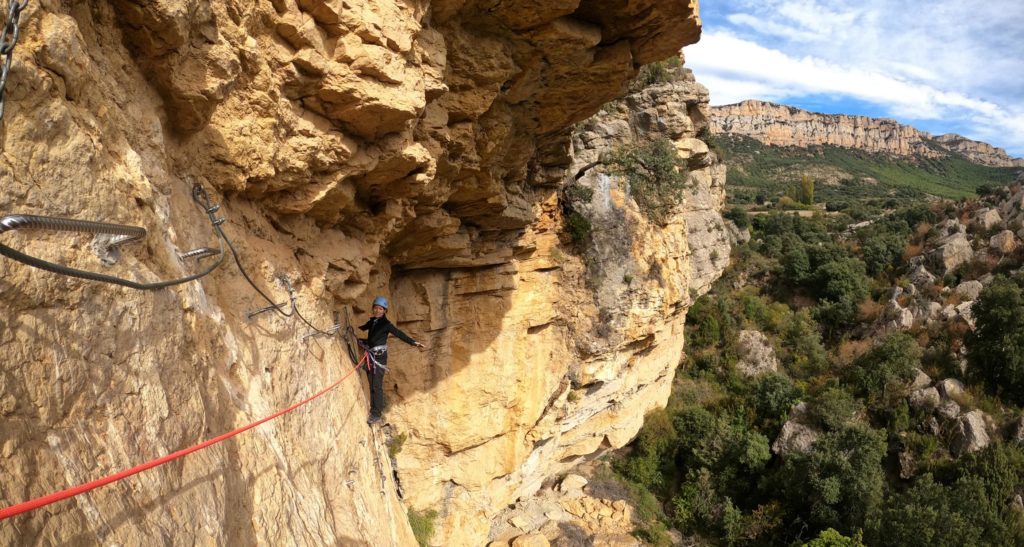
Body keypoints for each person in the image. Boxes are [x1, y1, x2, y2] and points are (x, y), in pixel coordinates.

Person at [357, 296, 424, 425]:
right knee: (372, 383)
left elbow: (399, 334)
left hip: (379, 357)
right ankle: (374, 409)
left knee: (377, 386)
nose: (377, 311)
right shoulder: (372, 322)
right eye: (376, 308)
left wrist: (413, 342)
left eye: (380, 309)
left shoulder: (386, 324)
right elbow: (363, 330)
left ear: (384, 311)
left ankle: (376, 414)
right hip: (372, 353)